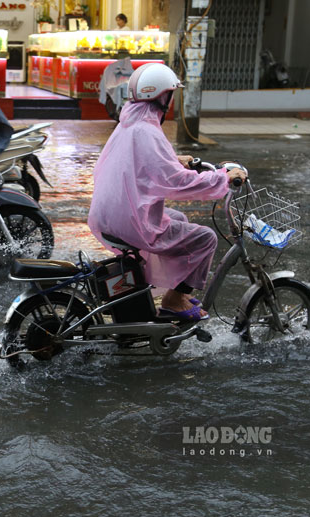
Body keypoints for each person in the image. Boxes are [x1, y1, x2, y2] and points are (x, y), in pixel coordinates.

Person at [87, 63, 246, 322]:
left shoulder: (130, 122)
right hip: (128, 220)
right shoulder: (147, 130)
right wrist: (222, 179)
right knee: (205, 238)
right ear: (162, 97)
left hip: (110, 212)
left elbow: (145, 163)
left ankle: (166, 290)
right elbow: (176, 182)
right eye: (170, 95)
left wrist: (173, 158)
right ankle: (173, 301)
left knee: (179, 220)